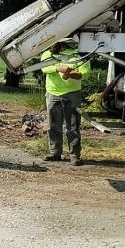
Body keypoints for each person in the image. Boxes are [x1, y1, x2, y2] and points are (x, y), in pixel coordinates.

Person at [40, 38, 90, 166]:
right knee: (53, 125)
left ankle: (74, 155)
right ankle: (55, 152)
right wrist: (59, 68)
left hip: (72, 94)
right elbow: (44, 68)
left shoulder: (77, 54)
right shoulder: (48, 54)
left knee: (72, 126)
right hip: (53, 93)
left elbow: (85, 73)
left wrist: (74, 74)